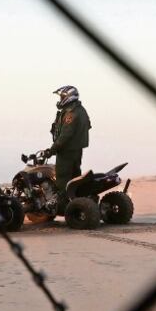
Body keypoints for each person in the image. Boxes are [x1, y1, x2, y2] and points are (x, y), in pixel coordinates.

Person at [44, 85, 90, 215]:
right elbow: (87, 126)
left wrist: (51, 150)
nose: (61, 99)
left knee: (63, 181)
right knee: (75, 179)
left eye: (62, 96)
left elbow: (65, 135)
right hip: (76, 150)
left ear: (69, 97)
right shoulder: (81, 110)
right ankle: (78, 206)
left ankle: (64, 209)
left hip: (66, 151)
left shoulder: (71, 113)